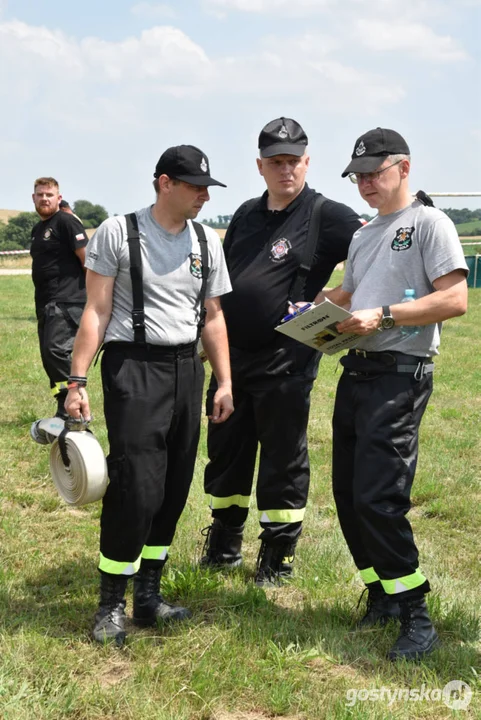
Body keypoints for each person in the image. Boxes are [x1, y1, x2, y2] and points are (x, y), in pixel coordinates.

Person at [65, 145, 233, 645]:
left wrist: (224, 381)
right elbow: (95, 311)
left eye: (206, 186)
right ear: (164, 183)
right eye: (194, 185)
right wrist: (77, 380)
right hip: (134, 366)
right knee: (137, 484)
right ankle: (111, 603)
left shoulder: (208, 239)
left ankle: (149, 596)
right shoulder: (119, 232)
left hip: (187, 369)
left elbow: (214, 316)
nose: (204, 194)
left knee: (175, 484)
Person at [324, 127, 468, 660]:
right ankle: (381, 595)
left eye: (374, 174)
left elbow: (455, 300)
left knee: (378, 499)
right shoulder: (364, 234)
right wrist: (315, 312)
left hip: (399, 376)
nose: (364, 184)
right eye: (357, 176)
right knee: (346, 494)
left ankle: (417, 616)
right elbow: (347, 293)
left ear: (403, 169)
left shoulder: (430, 224)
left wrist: (383, 316)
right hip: (356, 372)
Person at [200, 117, 363, 586]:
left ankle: (276, 556)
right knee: (225, 451)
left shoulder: (326, 215)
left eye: (294, 161)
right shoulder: (247, 214)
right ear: (260, 166)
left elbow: (371, 254)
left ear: (307, 162)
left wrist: (335, 297)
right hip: (231, 360)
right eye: (276, 162)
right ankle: (224, 544)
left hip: (286, 360)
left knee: (282, 458)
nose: (285, 170)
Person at [30, 177, 88, 438]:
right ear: (33, 198)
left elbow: (88, 260)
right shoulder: (38, 228)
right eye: (40, 194)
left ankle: (78, 408)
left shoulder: (66, 222)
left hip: (67, 301)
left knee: (56, 351)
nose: (44, 198)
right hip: (44, 302)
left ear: (58, 197)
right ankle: (63, 407)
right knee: (48, 357)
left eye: (49, 194)